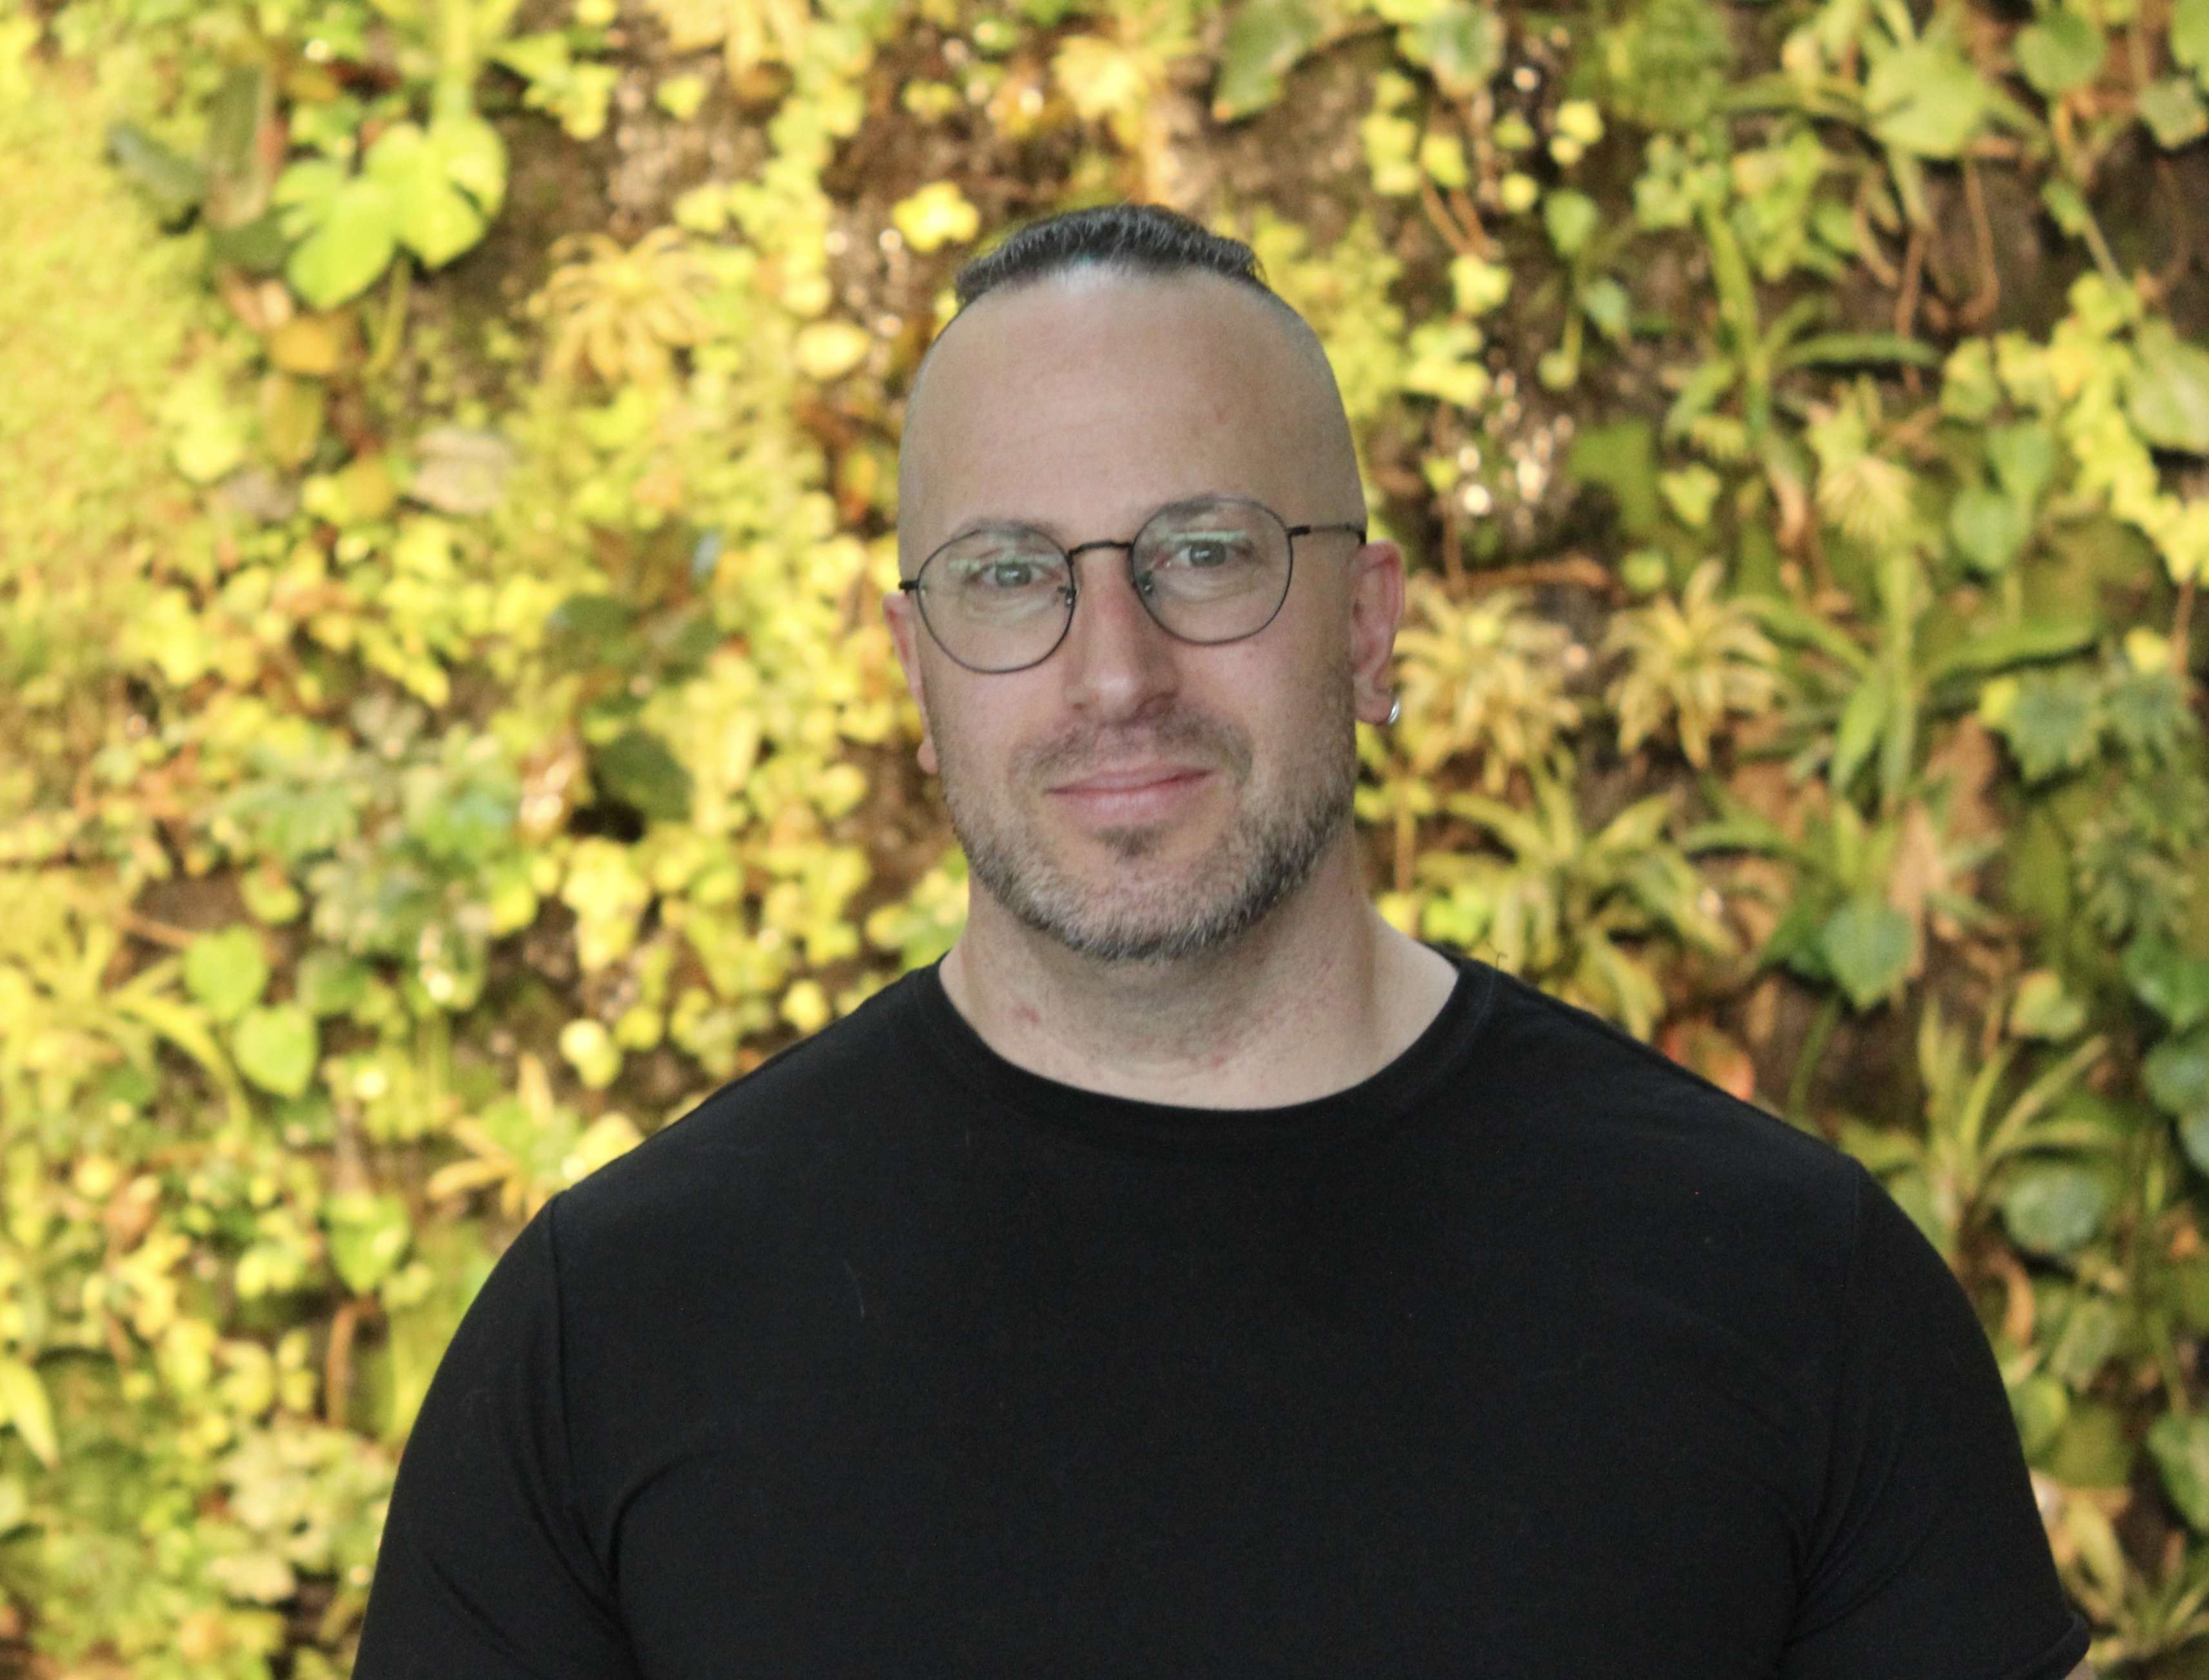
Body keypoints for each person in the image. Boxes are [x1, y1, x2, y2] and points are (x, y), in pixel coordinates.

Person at [353, 203, 2096, 1678]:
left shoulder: (1792, 1291)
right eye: (1010, 575)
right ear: (912, 670)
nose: (1116, 672)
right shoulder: (614, 1333)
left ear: (1368, 624)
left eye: (1203, 552)